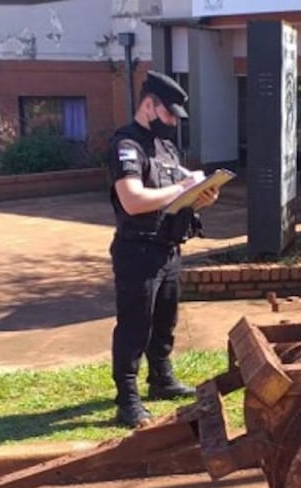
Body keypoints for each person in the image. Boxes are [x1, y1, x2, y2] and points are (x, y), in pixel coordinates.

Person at [106, 70, 220, 426]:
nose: (172, 121)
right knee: (134, 326)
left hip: (169, 247)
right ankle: (127, 399)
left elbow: (178, 200)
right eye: (168, 114)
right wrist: (183, 186)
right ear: (149, 105)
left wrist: (203, 197)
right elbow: (134, 201)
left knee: (164, 321)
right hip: (137, 250)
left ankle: (161, 379)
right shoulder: (127, 145)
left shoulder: (166, 148)